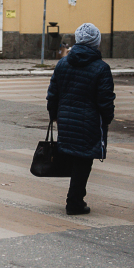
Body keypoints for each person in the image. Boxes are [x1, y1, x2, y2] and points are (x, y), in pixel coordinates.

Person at [46, 22, 116, 215]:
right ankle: (74, 201)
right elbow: (105, 100)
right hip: (90, 121)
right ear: (96, 43)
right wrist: (107, 118)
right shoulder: (101, 68)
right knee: (83, 160)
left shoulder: (63, 63)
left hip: (66, 119)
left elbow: (53, 93)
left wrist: (54, 115)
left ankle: (75, 198)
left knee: (75, 156)